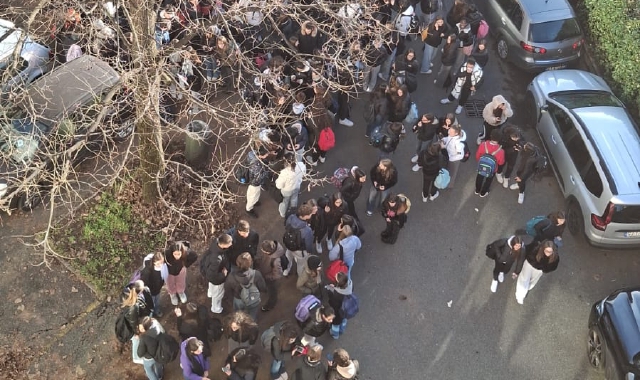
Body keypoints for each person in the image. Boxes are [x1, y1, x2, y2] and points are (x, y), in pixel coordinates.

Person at [513, 240, 559, 305]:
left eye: (550, 251)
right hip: (530, 265)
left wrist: (544, 269)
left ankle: (525, 290)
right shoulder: (536, 248)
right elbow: (528, 252)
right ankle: (519, 295)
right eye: (546, 251)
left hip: (539, 270)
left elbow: (553, 266)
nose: (548, 253)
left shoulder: (555, 257)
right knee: (524, 279)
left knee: (532, 282)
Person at [225, 252, 267, 321]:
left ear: (237, 263)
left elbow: (228, 289)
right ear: (250, 263)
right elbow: (262, 287)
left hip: (239, 299)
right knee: (252, 314)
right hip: (253, 298)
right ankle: (251, 326)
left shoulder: (231, 276)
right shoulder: (256, 274)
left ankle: (239, 323)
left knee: (238, 314)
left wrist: (231, 299)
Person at [122, 280, 153, 364]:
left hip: (135, 321)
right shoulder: (133, 307)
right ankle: (136, 357)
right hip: (133, 328)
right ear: (139, 292)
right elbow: (133, 322)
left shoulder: (128, 291)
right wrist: (136, 333)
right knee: (136, 340)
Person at [202, 233, 230, 314]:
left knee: (211, 287)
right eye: (229, 243)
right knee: (218, 295)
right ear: (223, 245)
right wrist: (223, 274)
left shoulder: (215, 243)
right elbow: (212, 275)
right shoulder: (217, 259)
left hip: (210, 275)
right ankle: (216, 308)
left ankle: (210, 293)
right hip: (217, 280)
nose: (231, 244)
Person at [284, 203, 315, 276]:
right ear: (306, 216)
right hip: (299, 250)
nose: (311, 215)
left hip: (289, 244)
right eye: (310, 214)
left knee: (288, 257)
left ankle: (286, 270)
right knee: (301, 264)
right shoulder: (307, 230)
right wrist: (309, 252)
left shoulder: (291, 217)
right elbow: (308, 244)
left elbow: (286, 226)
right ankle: (299, 274)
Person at [254, 240, 285, 312]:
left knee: (272, 293)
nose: (261, 250)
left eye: (262, 250)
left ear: (267, 252)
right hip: (265, 273)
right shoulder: (271, 250)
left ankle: (270, 305)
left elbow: (277, 275)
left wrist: (267, 277)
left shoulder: (276, 261)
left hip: (270, 279)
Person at [164, 241, 198, 306]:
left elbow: (195, 256)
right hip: (169, 272)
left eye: (179, 254)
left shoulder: (186, 253)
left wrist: (186, 265)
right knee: (170, 283)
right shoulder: (167, 254)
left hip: (181, 270)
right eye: (175, 254)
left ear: (182, 252)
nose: (177, 256)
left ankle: (181, 292)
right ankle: (172, 294)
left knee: (181, 282)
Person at [474, 130, 505, 197]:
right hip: (493, 169)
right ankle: (483, 193)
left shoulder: (483, 144)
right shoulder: (501, 151)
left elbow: (477, 156)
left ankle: (477, 190)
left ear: (491, 136)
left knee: (479, 177)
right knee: (488, 180)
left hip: (481, 166)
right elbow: (501, 162)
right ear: (499, 139)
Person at [276, 153, 307, 218]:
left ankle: (283, 213)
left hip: (287, 190)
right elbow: (304, 175)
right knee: (294, 198)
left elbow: (279, 185)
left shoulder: (284, 173)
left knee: (285, 201)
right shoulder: (301, 165)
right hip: (296, 186)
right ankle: (293, 209)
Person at [495, 124, 524, 189]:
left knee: (511, 166)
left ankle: (506, 177)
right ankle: (498, 173)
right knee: (501, 164)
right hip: (504, 153)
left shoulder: (519, 134)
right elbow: (501, 148)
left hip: (513, 154)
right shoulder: (503, 137)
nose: (516, 139)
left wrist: (520, 145)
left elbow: (523, 141)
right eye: (514, 138)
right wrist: (512, 149)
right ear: (510, 135)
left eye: (517, 138)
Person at [140, 252, 168, 318]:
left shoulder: (162, 267)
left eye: (162, 263)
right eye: (158, 263)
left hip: (157, 290)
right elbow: (143, 282)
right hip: (150, 292)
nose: (161, 265)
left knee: (157, 301)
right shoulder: (147, 271)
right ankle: (150, 315)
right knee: (150, 304)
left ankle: (157, 310)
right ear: (154, 262)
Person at [245, 146, 270, 218]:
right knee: (253, 196)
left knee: (251, 192)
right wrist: (266, 171)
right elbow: (259, 178)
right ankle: (249, 209)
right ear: (262, 155)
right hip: (255, 183)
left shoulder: (252, 154)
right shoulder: (257, 166)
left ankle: (251, 201)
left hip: (251, 179)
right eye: (266, 154)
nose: (267, 155)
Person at [325, 272, 352, 339]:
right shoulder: (350, 284)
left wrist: (331, 288)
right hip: (347, 309)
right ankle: (342, 330)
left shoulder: (335, 293)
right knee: (344, 320)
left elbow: (332, 303)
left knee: (335, 325)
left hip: (338, 312)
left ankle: (335, 335)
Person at [440, 124, 467, 189]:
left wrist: (451, 158)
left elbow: (459, 154)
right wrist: (444, 139)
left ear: (456, 133)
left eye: (451, 132)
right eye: (449, 130)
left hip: (454, 159)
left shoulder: (458, 143)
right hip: (450, 155)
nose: (449, 132)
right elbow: (448, 139)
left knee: (452, 172)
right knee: (449, 169)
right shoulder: (452, 135)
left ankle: (450, 185)